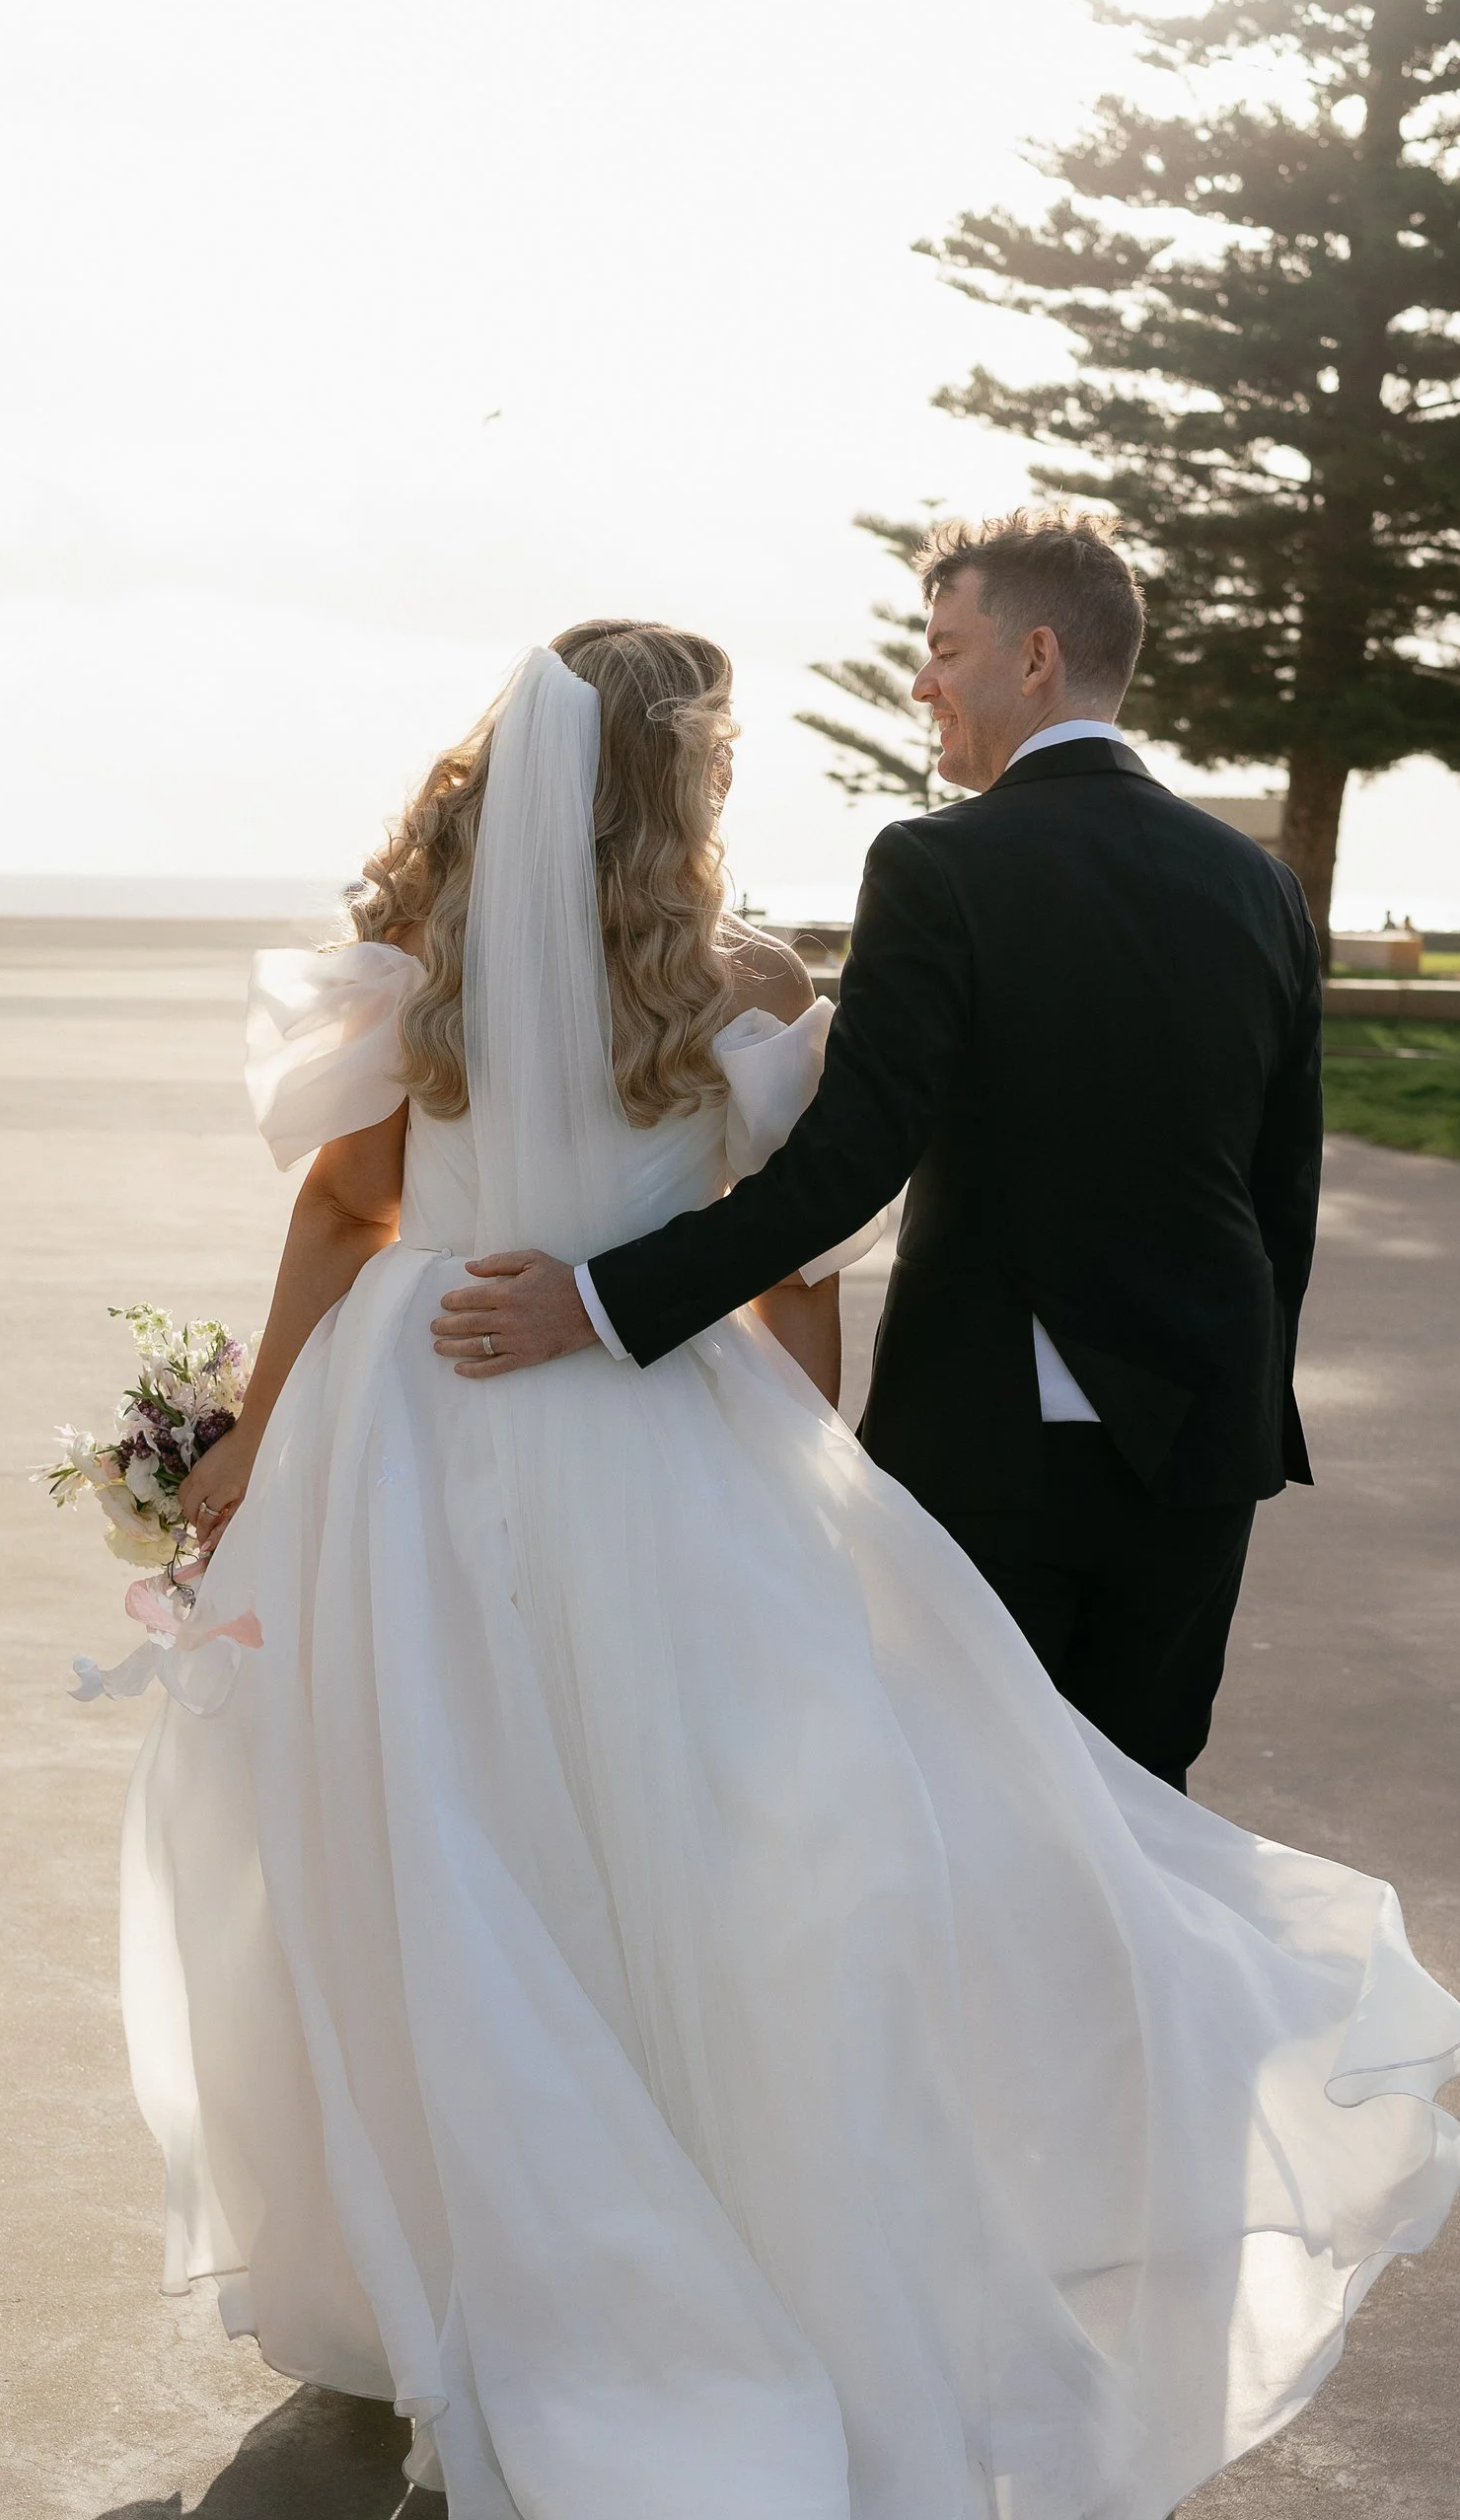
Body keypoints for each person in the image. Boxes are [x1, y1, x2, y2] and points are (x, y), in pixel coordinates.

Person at [99, 623, 1460, 2520]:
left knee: (425, 1906)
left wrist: (246, 1432)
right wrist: (807, 1524)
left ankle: (469, 2275)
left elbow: (351, 1209)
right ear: (682, 792)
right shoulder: (734, 1000)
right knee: (667, 1909)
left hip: (410, 1479)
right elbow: (803, 1298)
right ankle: (661, 2292)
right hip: (637, 1471)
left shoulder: (425, 973)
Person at [429, 507, 1320, 1793]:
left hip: (992, 1444)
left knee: (971, 1805)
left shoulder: (936, 865)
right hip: (1199, 1442)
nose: (921, 682)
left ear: (1036, 657)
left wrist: (595, 1300)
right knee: (1148, 1817)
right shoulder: (1260, 885)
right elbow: (1283, 1182)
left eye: (946, 648)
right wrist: (1247, 1381)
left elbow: (846, 1168)